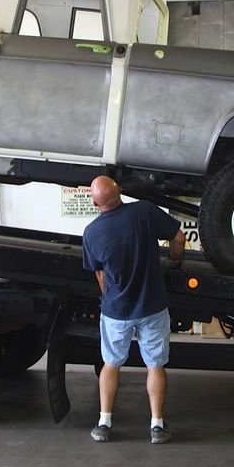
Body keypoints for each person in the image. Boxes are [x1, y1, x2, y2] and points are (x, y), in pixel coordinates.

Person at [81, 175, 186, 444]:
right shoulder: (144, 211)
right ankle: (157, 426)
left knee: (112, 363)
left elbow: (100, 275)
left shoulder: (92, 233)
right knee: (155, 365)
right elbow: (179, 237)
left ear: (95, 203)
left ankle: (104, 423)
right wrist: (174, 260)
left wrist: (110, 298)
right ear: (121, 192)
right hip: (152, 306)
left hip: (117, 310)